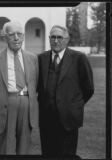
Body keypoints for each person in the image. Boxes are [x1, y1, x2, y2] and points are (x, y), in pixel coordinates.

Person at [37, 25, 94, 158]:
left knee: (67, 155)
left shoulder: (79, 58)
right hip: (46, 118)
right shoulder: (41, 58)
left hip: (68, 118)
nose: (56, 40)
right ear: (49, 39)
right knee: (48, 153)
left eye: (59, 37)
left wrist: (74, 104)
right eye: (53, 37)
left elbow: (89, 88)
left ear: (67, 39)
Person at [0, 21, 39, 154]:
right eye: (11, 34)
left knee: (24, 145)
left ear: (23, 36)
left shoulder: (33, 58)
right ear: (4, 37)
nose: (16, 38)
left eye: (19, 34)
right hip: (5, 102)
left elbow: (35, 84)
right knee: (4, 146)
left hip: (26, 104)